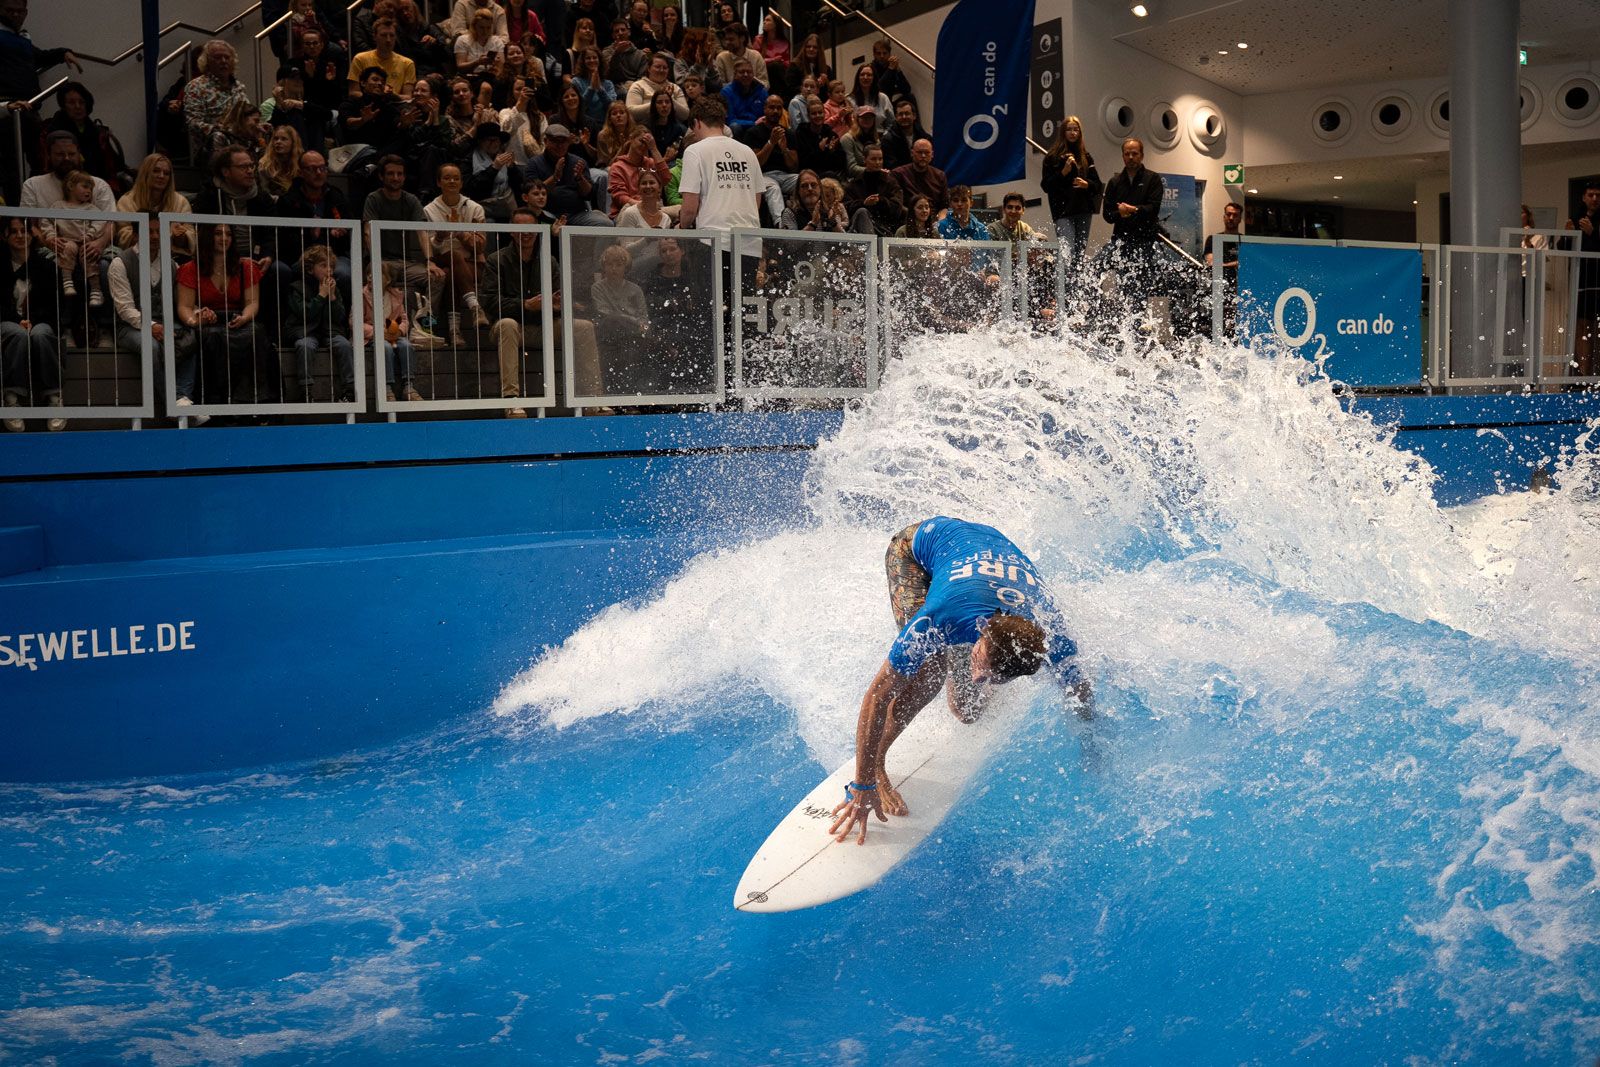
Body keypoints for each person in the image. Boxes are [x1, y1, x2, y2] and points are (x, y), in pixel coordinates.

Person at [827, 516, 1091, 845]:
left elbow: (1079, 691)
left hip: (988, 551)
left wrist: (1090, 739)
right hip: (917, 550)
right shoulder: (938, 618)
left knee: (965, 711)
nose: (979, 675)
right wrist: (862, 785)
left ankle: (968, 665)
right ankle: (878, 767)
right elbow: (876, 696)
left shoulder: (1052, 632)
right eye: (981, 663)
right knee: (928, 675)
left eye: (994, 676)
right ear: (981, 631)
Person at [173, 222, 277, 410]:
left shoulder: (246, 267)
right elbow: (185, 307)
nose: (224, 238)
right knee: (211, 337)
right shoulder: (190, 268)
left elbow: (252, 303)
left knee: (256, 332)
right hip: (207, 321)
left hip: (238, 318)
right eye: (218, 234)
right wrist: (196, 320)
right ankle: (216, 403)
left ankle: (256, 404)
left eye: (228, 234)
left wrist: (244, 318)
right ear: (207, 237)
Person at [0, 0, 82, 205]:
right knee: (11, 167)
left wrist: (63, 53)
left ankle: (38, 213)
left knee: (39, 163)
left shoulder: (22, 37)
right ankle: (16, 216)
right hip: (8, 109)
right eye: (10, 11)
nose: (16, 15)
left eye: (20, 11)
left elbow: (39, 56)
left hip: (30, 108)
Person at [0, 217, 65, 432]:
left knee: (42, 334)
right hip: (6, 321)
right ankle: (11, 399)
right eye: (14, 232)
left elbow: (55, 305)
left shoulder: (46, 266)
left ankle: (55, 398)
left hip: (40, 321)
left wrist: (32, 320)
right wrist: (18, 320)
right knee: (17, 334)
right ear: (5, 236)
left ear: (32, 235)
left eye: (24, 231)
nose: (20, 236)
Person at [422, 161, 489, 340]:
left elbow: (481, 246)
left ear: (461, 183)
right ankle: (475, 307)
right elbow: (431, 247)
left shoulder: (475, 208)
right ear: (438, 182)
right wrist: (440, 237)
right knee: (453, 256)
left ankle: (454, 332)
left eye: (456, 178)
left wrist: (459, 233)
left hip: (471, 261)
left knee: (453, 272)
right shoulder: (429, 210)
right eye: (447, 178)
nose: (452, 181)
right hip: (441, 257)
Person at [677, 97, 759, 233]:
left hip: (714, 237)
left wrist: (681, 227)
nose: (695, 135)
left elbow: (689, 209)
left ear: (697, 123)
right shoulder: (748, 152)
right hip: (750, 238)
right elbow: (755, 200)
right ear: (722, 123)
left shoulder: (694, 151)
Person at [286, 244, 355, 401]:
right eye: (323, 266)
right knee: (305, 346)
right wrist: (321, 296)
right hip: (305, 330)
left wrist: (332, 298)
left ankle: (349, 390)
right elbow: (305, 314)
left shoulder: (333, 288)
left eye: (331, 266)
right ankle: (306, 391)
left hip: (329, 331)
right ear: (310, 269)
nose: (329, 270)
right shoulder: (297, 288)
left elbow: (339, 318)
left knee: (344, 344)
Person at [1100, 136, 1164, 302]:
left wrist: (1133, 210)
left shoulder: (1153, 179)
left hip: (1145, 242)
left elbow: (1153, 209)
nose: (1130, 157)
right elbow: (1107, 215)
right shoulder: (1114, 182)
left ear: (1141, 155)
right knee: (1096, 269)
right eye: (1127, 153)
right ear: (1122, 156)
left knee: (1138, 289)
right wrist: (1120, 213)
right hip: (1120, 241)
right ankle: (1093, 312)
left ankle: (1137, 325)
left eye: (1134, 153)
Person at [41, 81, 128, 193]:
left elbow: (110, 167)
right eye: (71, 103)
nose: (78, 107)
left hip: (95, 185)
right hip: (60, 185)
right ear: (63, 105)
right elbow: (44, 165)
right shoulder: (50, 130)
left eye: (81, 102)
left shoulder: (98, 132)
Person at [524, 124, 614, 227]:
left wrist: (580, 178)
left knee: (606, 224)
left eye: (564, 142)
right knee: (539, 222)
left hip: (577, 213)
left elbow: (588, 195)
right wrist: (555, 177)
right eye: (555, 141)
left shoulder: (578, 162)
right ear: (545, 141)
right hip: (548, 213)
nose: (560, 145)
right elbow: (531, 193)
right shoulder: (534, 163)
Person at [1039, 115, 1100, 265]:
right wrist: (1063, 172)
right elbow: (1046, 185)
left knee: (1079, 255)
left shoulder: (1086, 157)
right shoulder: (1052, 157)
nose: (1073, 133)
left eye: (1076, 130)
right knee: (1067, 253)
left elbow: (1097, 184)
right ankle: (1065, 287)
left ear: (1079, 133)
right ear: (1063, 133)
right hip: (1063, 212)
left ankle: (1075, 287)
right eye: (1069, 130)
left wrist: (1087, 184)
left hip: (1083, 210)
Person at [183, 40, 252, 164]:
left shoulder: (239, 87)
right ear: (207, 62)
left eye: (227, 57)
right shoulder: (196, 86)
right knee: (219, 137)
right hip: (211, 146)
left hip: (239, 142)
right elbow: (193, 122)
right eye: (218, 57)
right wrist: (221, 130)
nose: (223, 61)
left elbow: (247, 115)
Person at [365, 262, 421, 402]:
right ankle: (387, 388)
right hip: (373, 336)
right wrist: (378, 332)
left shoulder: (395, 296)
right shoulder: (362, 294)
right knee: (385, 348)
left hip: (392, 334)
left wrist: (399, 331)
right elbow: (355, 321)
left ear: (388, 280)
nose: (371, 277)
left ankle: (409, 386)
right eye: (369, 274)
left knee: (406, 345)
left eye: (376, 274)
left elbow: (404, 319)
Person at [46, 170, 101, 307]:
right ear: (70, 186)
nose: (89, 191)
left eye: (91, 188)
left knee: (89, 253)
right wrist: (51, 236)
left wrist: (90, 235)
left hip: (85, 241)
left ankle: (96, 290)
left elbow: (100, 223)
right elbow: (46, 222)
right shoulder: (58, 206)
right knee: (68, 247)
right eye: (85, 186)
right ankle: (67, 282)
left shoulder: (91, 209)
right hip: (66, 240)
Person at [1568, 180, 1600, 378]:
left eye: (1598, 195)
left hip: (1598, 283)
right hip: (1582, 284)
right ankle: (1584, 375)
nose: (1595, 199)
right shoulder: (1575, 218)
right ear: (1583, 197)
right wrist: (1568, 236)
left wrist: (1593, 233)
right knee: (1582, 328)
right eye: (1591, 195)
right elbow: (1563, 249)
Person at [608, 129, 671, 218]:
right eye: (641, 141)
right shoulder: (618, 167)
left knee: (679, 210)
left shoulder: (650, 163)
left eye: (647, 143)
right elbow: (620, 197)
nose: (644, 146)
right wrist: (643, 206)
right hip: (626, 211)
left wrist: (653, 149)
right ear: (631, 139)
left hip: (654, 210)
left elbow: (666, 179)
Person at [843, 145, 903, 237]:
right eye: (873, 159)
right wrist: (864, 203)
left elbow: (897, 207)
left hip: (884, 228)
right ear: (864, 160)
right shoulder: (854, 184)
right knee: (862, 212)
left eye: (880, 159)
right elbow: (846, 207)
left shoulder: (890, 182)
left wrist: (880, 201)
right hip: (858, 229)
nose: (878, 162)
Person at [348, 16, 418, 95]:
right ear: (374, 37)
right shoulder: (360, 59)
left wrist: (389, 95)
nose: (388, 40)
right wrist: (376, 96)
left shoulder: (407, 63)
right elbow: (353, 92)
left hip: (394, 105)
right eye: (384, 35)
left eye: (392, 35)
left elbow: (408, 96)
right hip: (367, 104)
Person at [891, 137, 947, 217]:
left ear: (932, 155)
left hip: (933, 220)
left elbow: (944, 206)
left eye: (927, 153)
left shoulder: (940, 175)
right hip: (907, 219)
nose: (923, 156)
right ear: (912, 153)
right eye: (919, 152)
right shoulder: (898, 174)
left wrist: (940, 222)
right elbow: (896, 204)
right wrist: (916, 215)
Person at [626, 54, 689, 124]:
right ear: (649, 69)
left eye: (665, 68)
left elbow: (685, 115)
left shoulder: (675, 88)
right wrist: (656, 102)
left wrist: (671, 100)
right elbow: (631, 112)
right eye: (658, 67)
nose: (661, 70)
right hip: (645, 128)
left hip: (672, 128)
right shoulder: (638, 86)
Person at [881, 97, 929, 172]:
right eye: (900, 114)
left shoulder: (925, 138)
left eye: (907, 113)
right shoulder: (887, 140)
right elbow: (891, 166)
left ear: (914, 116)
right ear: (896, 117)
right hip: (899, 179)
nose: (904, 117)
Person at [720, 57, 766, 134]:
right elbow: (730, 119)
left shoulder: (761, 91)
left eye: (749, 72)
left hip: (758, 127)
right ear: (735, 75)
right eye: (741, 72)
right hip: (738, 129)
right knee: (734, 126)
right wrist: (753, 123)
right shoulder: (726, 92)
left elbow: (765, 114)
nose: (745, 74)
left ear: (753, 74)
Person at [258, 125, 305, 200]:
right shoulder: (265, 164)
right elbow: (264, 193)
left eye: (284, 139)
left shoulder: (301, 163)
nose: (278, 142)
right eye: (276, 139)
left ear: (293, 142)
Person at [600, 18, 649, 86]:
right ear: (613, 35)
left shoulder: (640, 55)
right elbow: (608, 75)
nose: (620, 33)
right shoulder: (606, 52)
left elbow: (642, 79)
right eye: (617, 31)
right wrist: (617, 54)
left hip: (635, 88)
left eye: (623, 30)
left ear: (629, 32)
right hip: (614, 87)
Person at [840, 104, 880, 180]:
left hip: (874, 177)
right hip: (854, 180)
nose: (867, 120)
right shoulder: (847, 139)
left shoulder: (876, 140)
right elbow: (851, 168)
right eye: (864, 117)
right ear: (857, 119)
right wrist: (872, 171)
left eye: (870, 117)